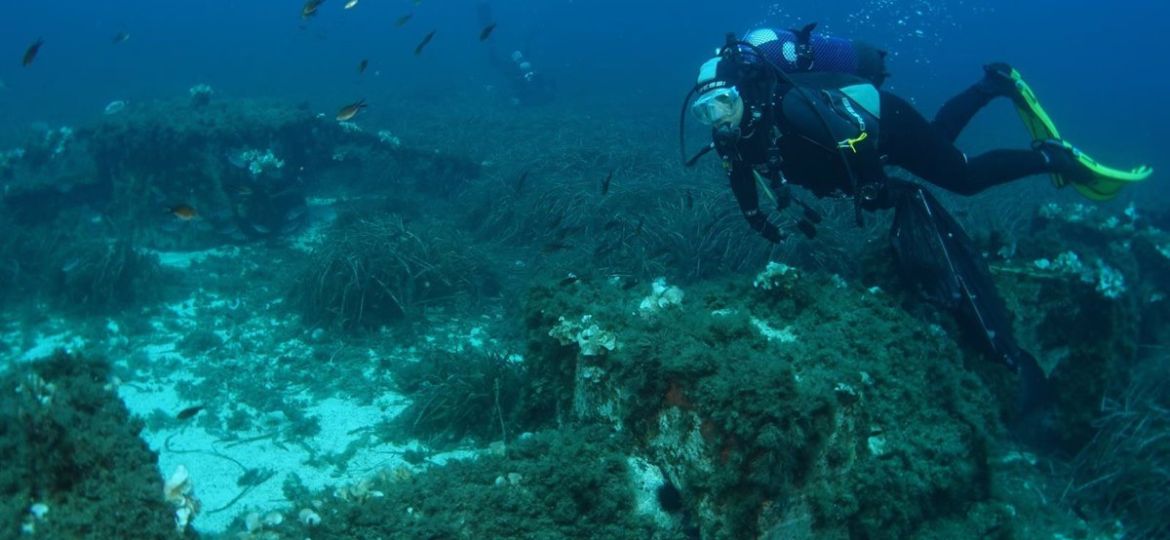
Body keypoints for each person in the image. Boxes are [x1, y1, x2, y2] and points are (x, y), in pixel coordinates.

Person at [681, 27, 1153, 415]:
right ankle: (992, 85)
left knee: (961, 174)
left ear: (740, 91)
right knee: (940, 142)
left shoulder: (790, 106)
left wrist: (868, 186)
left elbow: (855, 139)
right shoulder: (735, 136)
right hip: (876, 133)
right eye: (706, 112)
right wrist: (755, 217)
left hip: (884, 121)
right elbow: (740, 178)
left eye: (722, 103)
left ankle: (1051, 156)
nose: (717, 118)